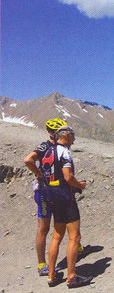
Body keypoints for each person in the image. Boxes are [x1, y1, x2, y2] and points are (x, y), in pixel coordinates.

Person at [24, 119, 89, 277]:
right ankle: (42, 264)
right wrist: (39, 175)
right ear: (53, 133)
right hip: (47, 192)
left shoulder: (56, 148)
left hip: (52, 190)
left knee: (60, 228)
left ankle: (72, 250)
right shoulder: (46, 146)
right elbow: (28, 160)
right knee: (46, 228)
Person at [45, 125, 92, 288]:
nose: (74, 139)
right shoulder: (64, 151)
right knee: (75, 237)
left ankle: (51, 275)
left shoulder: (49, 151)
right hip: (65, 197)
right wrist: (79, 185)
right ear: (65, 136)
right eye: (72, 135)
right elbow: (68, 176)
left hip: (52, 196)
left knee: (56, 236)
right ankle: (72, 277)